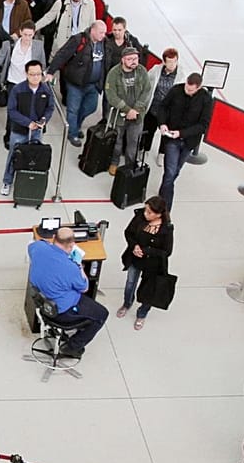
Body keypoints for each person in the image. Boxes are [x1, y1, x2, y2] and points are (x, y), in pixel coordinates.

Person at [28, 226, 108, 358]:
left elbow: (34, 246)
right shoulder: (71, 268)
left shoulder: (38, 248)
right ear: (71, 245)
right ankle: (72, 347)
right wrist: (79, 266)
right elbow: (84, 287)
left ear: (54, 238)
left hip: (43, 302)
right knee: (101, 314)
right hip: (62, 311)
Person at [155, 72, 213, 209]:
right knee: (170, 171)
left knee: (176, 170)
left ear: (199, 87)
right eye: (187, 87)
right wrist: (162, 123)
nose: (187, 91)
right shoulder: (176, 90)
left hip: (188, 141)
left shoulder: (206, 100)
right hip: (171, 140)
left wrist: (181, 133)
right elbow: (163, 107)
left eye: (191, 90)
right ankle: (165, 206)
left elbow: (203, 125)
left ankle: (164, 191)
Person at [49, 20, 109, 146]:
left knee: (90, 107)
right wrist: (51, 71)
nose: (103, 35)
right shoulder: (78, 40)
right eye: (101, 32)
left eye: (104, 32)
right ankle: (73, 133)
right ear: (92, 30)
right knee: (73, 109)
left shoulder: (104, 43)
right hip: (75, 83)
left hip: (93, 84)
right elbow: (62, 55)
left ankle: (76, 124)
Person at [117, 197, 173, 330]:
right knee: (130, 283)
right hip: (135, 258)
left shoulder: (166, 229)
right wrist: (134, 246)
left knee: (148, 291)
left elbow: (166, 251)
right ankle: (127, 303)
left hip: (153, 264)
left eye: (149, 212)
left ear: (159, 214)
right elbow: (128, 233)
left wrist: (146, 251)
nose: (145, 214)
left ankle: (142, 314)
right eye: (146, 210)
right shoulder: (139, 217)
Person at [1, 59, 55, 194]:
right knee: (14, 155)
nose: (35, 77)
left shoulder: (46, 90)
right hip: (19, 131)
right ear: (26, 74)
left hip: (37, 131)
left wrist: (43, 120)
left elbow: (50, 108)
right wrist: (27, 123)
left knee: (33, 157)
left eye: (38, 74)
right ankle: (7, 181)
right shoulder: (17, 90)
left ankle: (30, 182)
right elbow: (12, 111)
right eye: (32, 74)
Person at [104, 47, 154, 172]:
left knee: (133, 142)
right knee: (117, 141)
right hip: (119, 115)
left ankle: (129, 166)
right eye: (130, 59)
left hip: (137, 115)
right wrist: (127, 110)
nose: (133, 61)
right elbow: (111, 95)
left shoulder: (142, 71)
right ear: (122, 60)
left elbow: (147, 90)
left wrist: (136, 109)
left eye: (135, 58)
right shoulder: (114, 73)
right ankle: (114, 162)